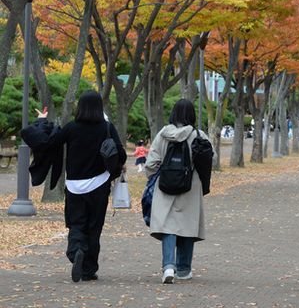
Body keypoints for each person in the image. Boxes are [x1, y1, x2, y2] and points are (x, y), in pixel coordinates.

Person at [21, 91, 127, 282]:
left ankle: (76, 250)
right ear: (99, 108)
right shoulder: (107, 128)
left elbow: (48, 142)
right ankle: (88, 269)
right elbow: (121, 153)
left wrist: (42, 121)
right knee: (94, 227)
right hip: (99, 184)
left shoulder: (71, 128)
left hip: (74, 186)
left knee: (76, 224)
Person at [146, 99, 215, 284]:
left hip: (165, 186)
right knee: (187, 226)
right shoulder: (199, 135)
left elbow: (150, 163)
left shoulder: (163, 134)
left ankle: (168, 266)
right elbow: (209, 159)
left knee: (168, 225)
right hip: (190, 187)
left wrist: (154, 175)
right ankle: (184, 268)